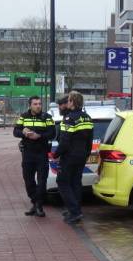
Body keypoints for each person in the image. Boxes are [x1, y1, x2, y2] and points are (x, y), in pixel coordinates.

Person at [54, 91, 94, 224]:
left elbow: (65, 141)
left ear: (72, 102)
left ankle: (75, 212)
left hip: (69, 157)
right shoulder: (87, 118)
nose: (67, 103)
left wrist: (56, 154)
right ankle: (76, 209)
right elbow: (90, 140)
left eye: (69, 100)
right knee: (76, 182)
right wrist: (86, 154)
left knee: (62, 182)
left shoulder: (69, 119)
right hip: (82, 156)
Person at [13, 96, 55, 217]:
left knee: (42, 181)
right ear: (30, 105)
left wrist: (39, 136)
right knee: (28, 180)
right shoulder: (24, 116)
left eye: (39, 104)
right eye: (35, 104)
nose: (38, 106)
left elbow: (52, 133)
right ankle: (35, 202)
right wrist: (24, 133)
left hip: (41, 153)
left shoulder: (46, 117)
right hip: (28, 153)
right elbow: (15, 131)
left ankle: (39, 206)